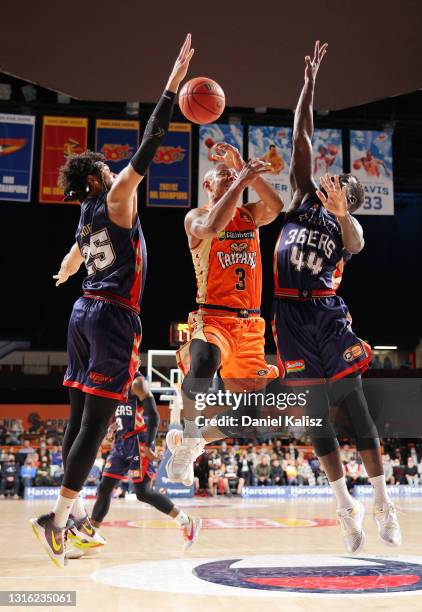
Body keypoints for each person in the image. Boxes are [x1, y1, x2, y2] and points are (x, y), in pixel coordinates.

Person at [30, 34, 195, 568]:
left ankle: (70, 518)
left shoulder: (84, 215)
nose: (115, 167)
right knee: (96, 426)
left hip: (82, 312)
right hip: (112, 319)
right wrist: (171, 85)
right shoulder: (118, 197)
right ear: (101, 176)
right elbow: (151, 141)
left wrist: (63, 270)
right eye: (108, 165)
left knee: (79, 422)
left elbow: (77, 255)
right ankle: (56, 522)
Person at [272, 41, 401, 553]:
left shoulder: (349, 227)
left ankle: (383, 503)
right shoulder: (304, 196)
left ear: (351, 197)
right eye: (334, 180)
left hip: (326, 316)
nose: (333, 182)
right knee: (313, 418)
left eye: (343, 186)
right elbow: (301, 135)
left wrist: (344, 212)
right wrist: (309, 85)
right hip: (289, 315)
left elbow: (354, 243)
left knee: (357, 410)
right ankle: (344, 507)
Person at [165, 139, 283, 487]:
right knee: (203, 363)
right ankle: (187, 435)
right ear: (207, 185)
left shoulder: (249, 215)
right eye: (223, 176)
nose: (230, 178)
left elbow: (276, 205)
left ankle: (197, 440)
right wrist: (241, 180)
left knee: (247, 418)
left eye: (232, 175)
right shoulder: (196, 217)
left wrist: (246, 171)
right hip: (213, 317)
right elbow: (213, 227)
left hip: (250, 325)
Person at [67, 371, 200, 559]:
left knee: (143, 493)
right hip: (121, 443)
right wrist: (112, 428)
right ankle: (91, 538)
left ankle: (186, 522)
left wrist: (149, 444)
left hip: (138, 442)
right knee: (104, 488)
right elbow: (117, 413)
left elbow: (153, 414)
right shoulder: (113, 382)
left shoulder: (137, 382)